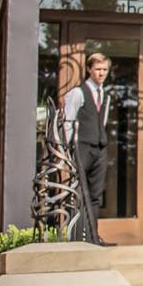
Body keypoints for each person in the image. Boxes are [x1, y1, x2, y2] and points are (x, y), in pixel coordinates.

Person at [61, 51, 112, 245]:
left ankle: (93, 237)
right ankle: (78, 237)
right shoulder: (78, 92)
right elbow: (68, 121)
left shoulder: (105, 95)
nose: (101, 73)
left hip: (99, 148)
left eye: (105, 70)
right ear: (89, 69)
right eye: (98, 69)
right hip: (82, 147)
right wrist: (68, 149)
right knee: (80, 192)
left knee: (96, 194)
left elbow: (103, 121)